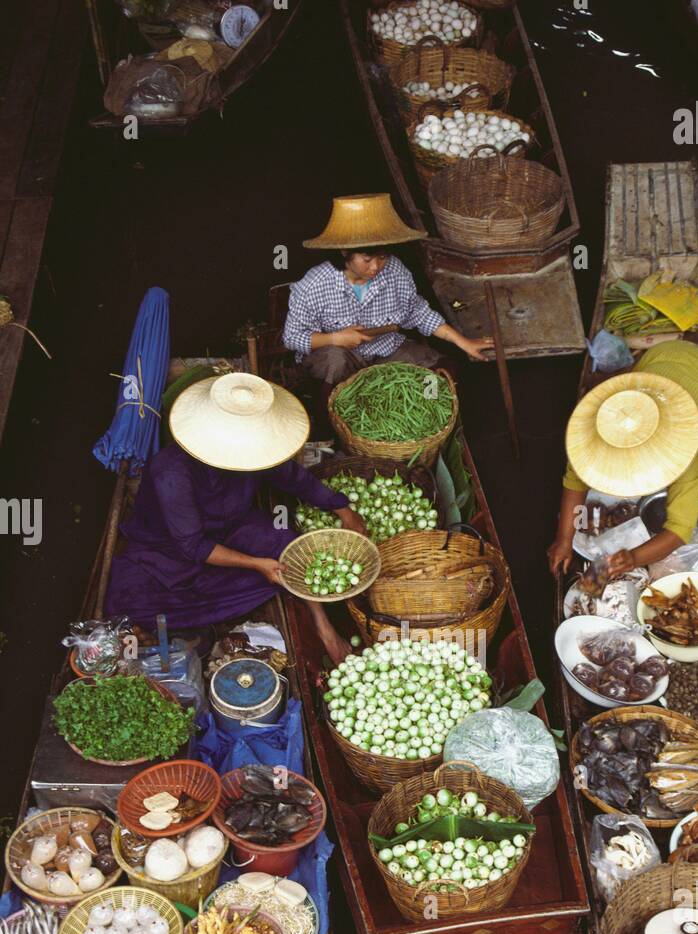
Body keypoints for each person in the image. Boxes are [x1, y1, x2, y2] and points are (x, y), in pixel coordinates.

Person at [105, 372, 365, 663]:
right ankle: (224, 598)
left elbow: (292, 477)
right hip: (168, 549)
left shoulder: (256, 449)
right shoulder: (171, 471)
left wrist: (342, 508)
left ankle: (323, 626)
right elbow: (193, 546)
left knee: (290, 548)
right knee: (128, 602)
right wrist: (255, 565)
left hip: (233, 527)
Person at [547, 339, 698, 578]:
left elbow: (680, 529)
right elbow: (575, 480)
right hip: (663, 355)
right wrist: (563, 540)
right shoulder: (594, 435)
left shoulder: (686, 450)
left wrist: (633, 558)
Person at [282, 194, 492, 401]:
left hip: (385, 351)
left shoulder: (395, 271)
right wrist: (337, 338)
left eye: (382, 258)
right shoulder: (314, 284)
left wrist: (463, 342)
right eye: (367, 258)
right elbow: (292, 338)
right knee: (335, 361)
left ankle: (427, 420)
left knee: (439, 369)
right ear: (345, 251)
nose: (375, 267)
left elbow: (418, 313)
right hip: (338, 358)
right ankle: (337, 422)